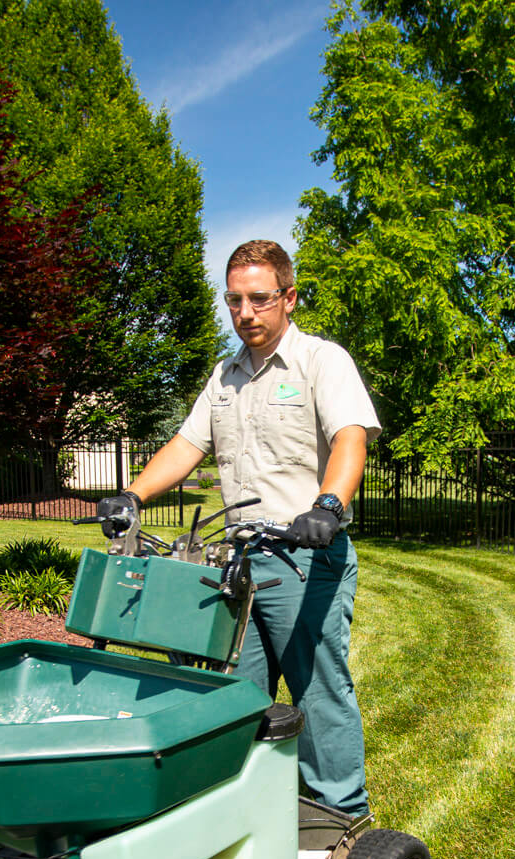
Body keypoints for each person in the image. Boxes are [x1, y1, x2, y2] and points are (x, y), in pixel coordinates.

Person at [97, 239, 378, 817]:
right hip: (238, 563)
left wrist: (328, 504)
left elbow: (351, 436)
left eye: (259, 299)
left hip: (305, 557)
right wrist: (133, 493)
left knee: (319, 692)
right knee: (233, 695)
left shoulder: (322, 362)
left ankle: (342, 816)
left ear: (288, 298)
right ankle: (248, 808)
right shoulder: (223, 377)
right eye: (235, 300)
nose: (246, 313)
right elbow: (187, 445)